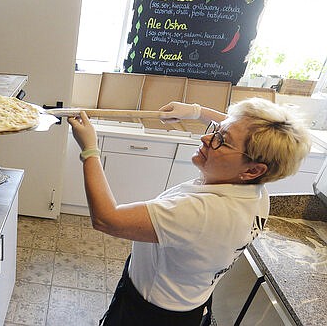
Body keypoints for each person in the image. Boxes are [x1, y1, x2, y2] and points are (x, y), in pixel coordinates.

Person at [67, 98, 311, 326]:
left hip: (149, 314)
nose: (207, 138)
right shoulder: (256, 191)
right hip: (189, 304)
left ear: (253, 170)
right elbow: (239, 131)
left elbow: (107, 219)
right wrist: (197, 112)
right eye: (216, 129)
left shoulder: (203, 213)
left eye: (220, 140)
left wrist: (90, 150)